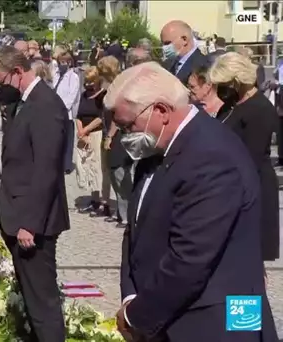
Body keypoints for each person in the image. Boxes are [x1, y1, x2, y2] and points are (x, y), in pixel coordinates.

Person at [107, 61, 277, 342]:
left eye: (128, 125)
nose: (125, 135)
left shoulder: (212, 156)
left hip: (217, 321)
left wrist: (135, 316)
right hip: (173, 315)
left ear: (160, 111)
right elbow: (137, 227)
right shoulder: (158, 147)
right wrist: (131, 294)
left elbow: (190, 258)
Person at [0, 45, 69, 342]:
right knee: (32, 298)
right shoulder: (25, 101)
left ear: (17, 72)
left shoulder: (46, 105)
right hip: (19, 216)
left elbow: (46, 170)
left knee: (43, 302)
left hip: (34, 224)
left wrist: (29, 223)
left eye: (0, 81)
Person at [211, 52, 280, 262]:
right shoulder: (233, 103)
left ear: (237, 80)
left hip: (252, 188)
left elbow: (251, 156)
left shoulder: (259, 109)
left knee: (249, 263)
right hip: (231, 184)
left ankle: (250, 297)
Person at [75, 65, 116, 221]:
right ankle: (94, 199)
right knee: (85, 166)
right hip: (84, 133)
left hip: (97, 132)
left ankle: (104, 201)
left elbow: (101, 117)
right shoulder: (85, 95)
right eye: (86, 82)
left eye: (91, 82)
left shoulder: (103, 96)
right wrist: (80, 131)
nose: (88, 85)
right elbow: (78, 114)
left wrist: (86, 130)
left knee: (98, 167)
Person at [52, 50, 81, 174]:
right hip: (53, 112)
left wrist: (62, 108)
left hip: (66, 113)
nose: (62, 64)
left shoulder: (73, 77)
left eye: (64, 62)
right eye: (60, 62)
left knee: (67, 140)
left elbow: (72, 96)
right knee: (56, 139)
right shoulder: (56, 74)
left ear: (69, 62)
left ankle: (66, 165)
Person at [160, 20, 208, 85]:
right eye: (162, 44)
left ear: (184, 39)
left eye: (168, 43)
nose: (164, 47)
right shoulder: (169, 63)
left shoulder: (203, 66)